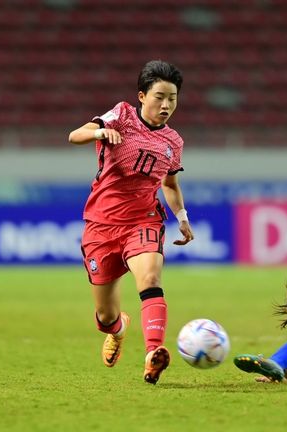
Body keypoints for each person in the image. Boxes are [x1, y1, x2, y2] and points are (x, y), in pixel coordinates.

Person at [68, 60, 194, 385]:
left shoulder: (174, 142)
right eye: (159, 97)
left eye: (173, 98)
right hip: (101, 224)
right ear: (141, 95)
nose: (166, 105)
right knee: (105, 316)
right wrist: (99, 131)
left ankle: (154, 353)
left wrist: (182, 217)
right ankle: (118, 329)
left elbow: (169, 184)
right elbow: (74, 135)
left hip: (144, 219)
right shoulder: (121, 115)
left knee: (150, 276)